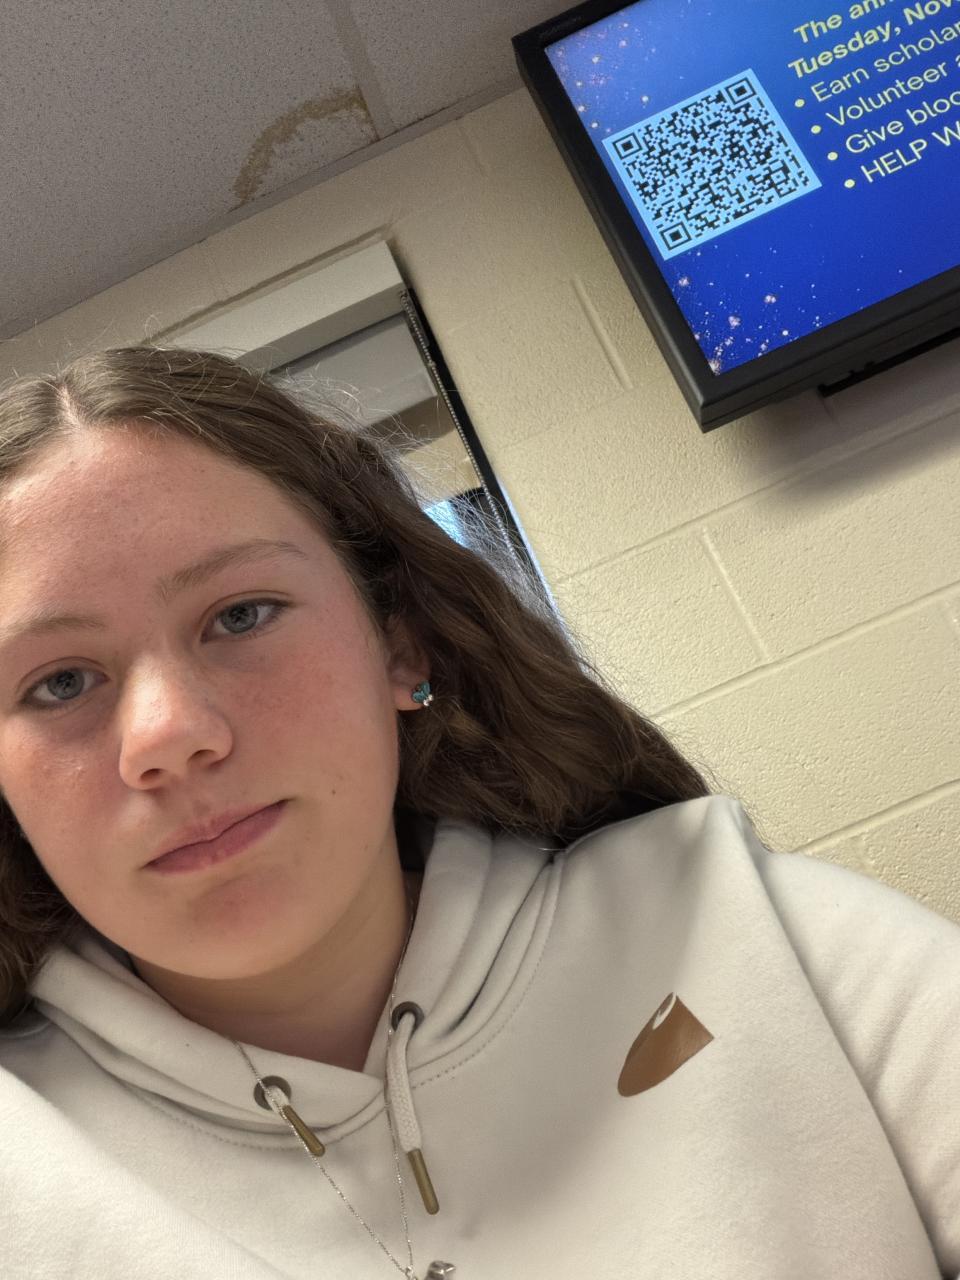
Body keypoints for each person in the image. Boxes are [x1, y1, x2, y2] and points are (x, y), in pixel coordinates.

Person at [0, 346, 956, 1280]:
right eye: (60, 683)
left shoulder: (755, 931)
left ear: (400, 647)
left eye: (240, 615)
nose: (169, 735)